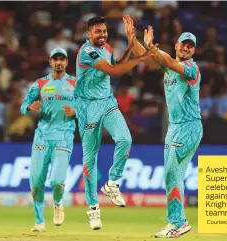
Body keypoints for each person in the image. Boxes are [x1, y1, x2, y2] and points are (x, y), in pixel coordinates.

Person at [123, 15, 203, 238]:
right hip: (173, 128)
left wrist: (151, 46)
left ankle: (179, 222)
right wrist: (133, 39)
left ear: (193, 51)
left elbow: (166, 60)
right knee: (170, 177)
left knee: (172, 174)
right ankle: (175, 221)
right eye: (183, 44)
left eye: (190, 46)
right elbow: (148, 59)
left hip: (188, 127)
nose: (186, 48)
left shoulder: (191, 69)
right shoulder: (169, 69)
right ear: (176, 45)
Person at [74, 16, 156, 230]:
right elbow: (114, 72)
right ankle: (93, 209)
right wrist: (143, 56)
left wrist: (130, 46)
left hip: (106, 102)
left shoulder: (107, 48)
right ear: (88, 34)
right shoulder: (86, 52)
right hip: (87, 108)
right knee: (89, 159)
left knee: (125, 139)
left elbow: (116, 65)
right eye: (97, 32)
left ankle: (112, 183)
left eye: (104, 31)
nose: (102, 35)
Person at [20, 48, 77, 232]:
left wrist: (77, 111)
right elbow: (22, 107)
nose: (58, 62)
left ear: (67, 62)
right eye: (55, 59)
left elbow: (89, 108)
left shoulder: (76, 83)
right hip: (42, 137)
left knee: (56, 181)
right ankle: (39, 221)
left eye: (62, 59)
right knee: (36, 182)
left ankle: (58, 202)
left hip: (64, 136)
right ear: (50, 62)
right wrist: (30, 106)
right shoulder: (40, 84)